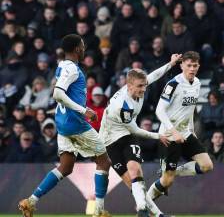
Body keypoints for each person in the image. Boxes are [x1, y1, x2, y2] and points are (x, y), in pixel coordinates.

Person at [18, 34, 112, 217]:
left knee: (66, 167)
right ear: (77, 49)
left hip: (63, 124)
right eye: (82, 46)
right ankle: (99, 212)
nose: (84, 50)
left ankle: (30, 202)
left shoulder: (62, 66)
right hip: (75, 124)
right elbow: (58, 94)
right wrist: (84, 110)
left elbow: (64, 95)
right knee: (104, 161)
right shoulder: (72, 69)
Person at [99, 54, 181, 217]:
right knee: (132, 184)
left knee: (135, 170)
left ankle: (144, 210)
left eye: (144, 86)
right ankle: (155, 213)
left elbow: (154, 76)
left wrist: (170, 64)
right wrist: (159, 136)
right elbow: (136, 130)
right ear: (128, 86)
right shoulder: (123, 106)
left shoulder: (138, 86)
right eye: (140, 87)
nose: (144, 90)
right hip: (110, 141)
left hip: (127, 136)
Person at [147, 51, 213, 214]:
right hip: (169, 136)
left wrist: (190, 130)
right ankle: (145, 202)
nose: (192, 69)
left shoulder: (197, 83)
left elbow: (190, 110)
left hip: (185, 132)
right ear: (182, 65)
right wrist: (173, 131)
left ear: (199, 66)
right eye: (189, 65)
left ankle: (173, 170)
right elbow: (159, 110)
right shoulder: (173, 84)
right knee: (167, 181)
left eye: (195, 66)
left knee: (207, 166)